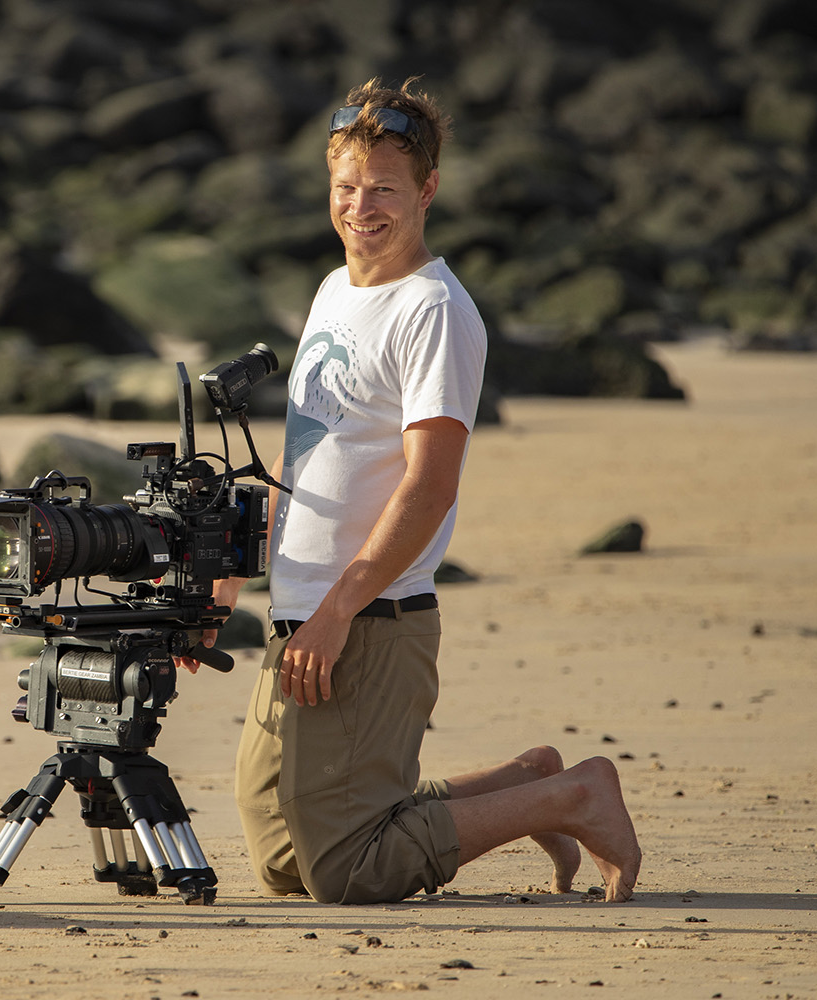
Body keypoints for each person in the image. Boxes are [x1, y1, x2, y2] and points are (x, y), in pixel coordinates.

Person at [180, 78, 641, 904]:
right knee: (286, 860)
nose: (362, 208)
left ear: (427, 190)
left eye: (384, 190)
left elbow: (428, 488)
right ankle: (526, 780)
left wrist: (336, 610)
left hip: (370, 619)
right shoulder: (335, 291)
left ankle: (573, 796)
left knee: (348, 869)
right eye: (346, 188)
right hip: (306, 610)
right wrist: (229, 583)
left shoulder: (434, 309)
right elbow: (304, 460)